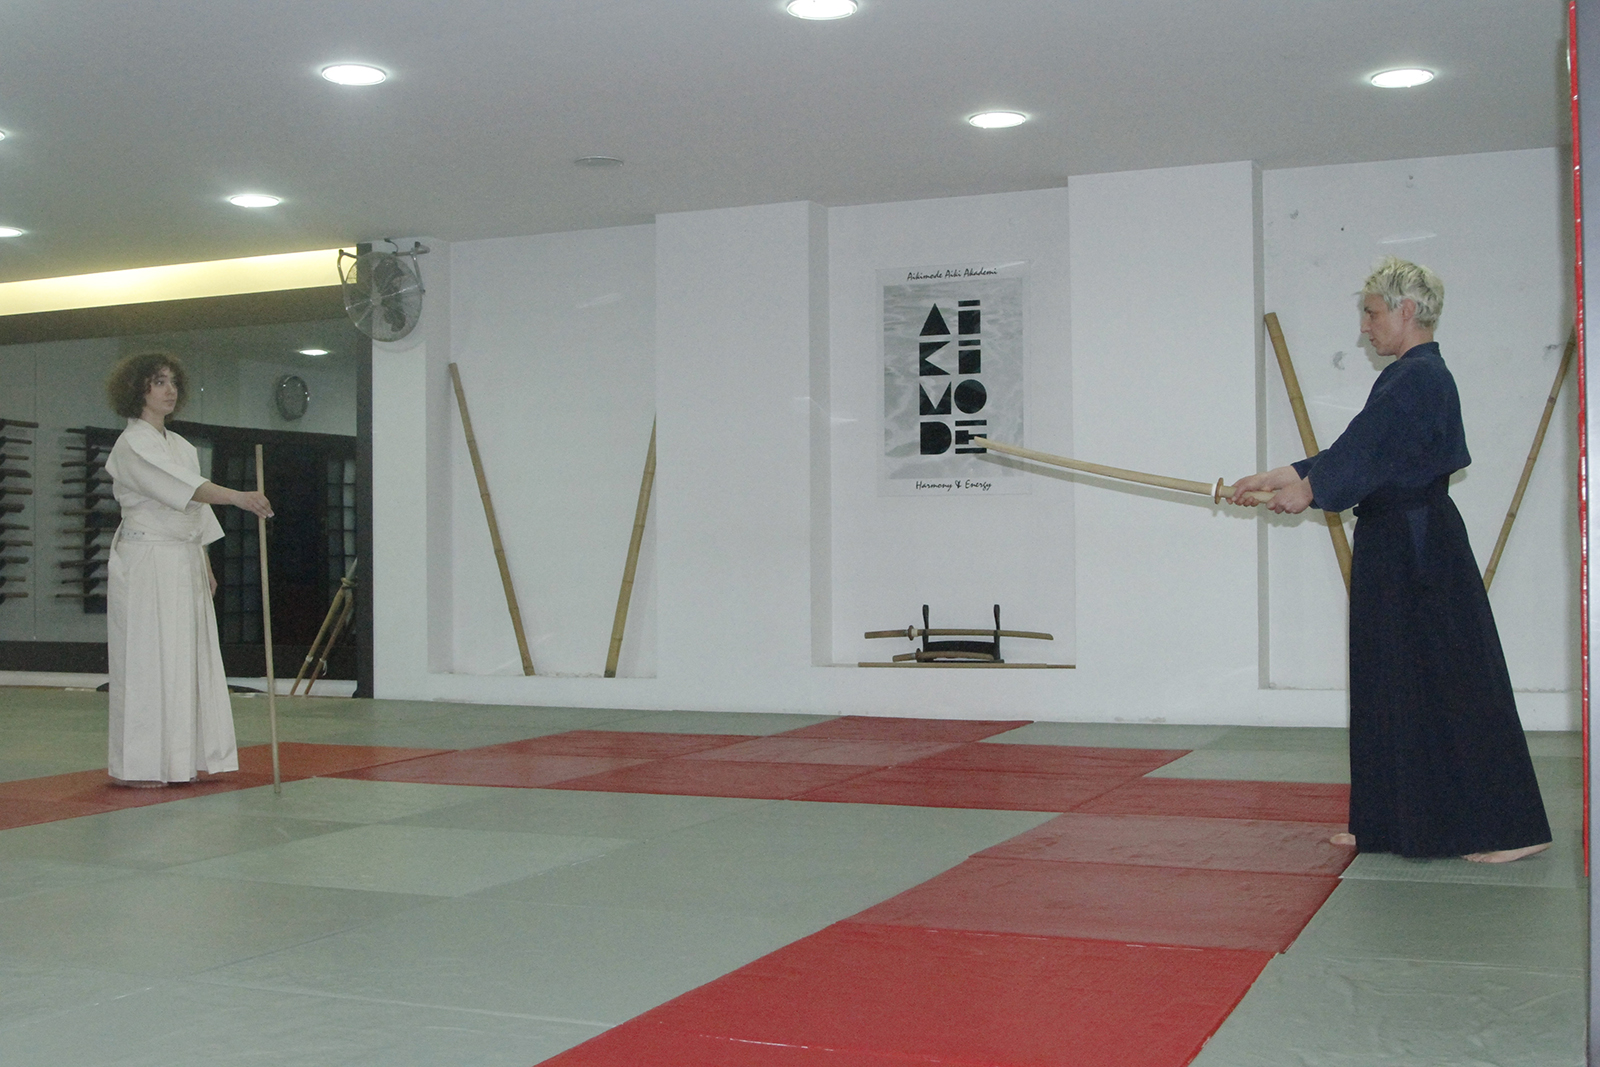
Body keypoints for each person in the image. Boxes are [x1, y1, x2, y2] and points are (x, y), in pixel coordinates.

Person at [1230, 257, 1551, 864]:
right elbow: (1361, 448)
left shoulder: (1420, 378)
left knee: (1454, 679)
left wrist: (1310, 490)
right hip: (1395, 538)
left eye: (1372, 313)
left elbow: (1364, 456)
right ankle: (1384, 822)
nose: (1365, 326)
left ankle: (1514, 828)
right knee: (1388, 677)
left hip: (1419, 544)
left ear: (1407, 311)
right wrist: (1285, 474)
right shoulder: (1408, 378)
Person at [103, 352, 273, 786]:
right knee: (147, 660)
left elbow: (193, 509)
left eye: (173, 382)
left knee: (186, 660)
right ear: (138, 390)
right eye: (159, 382)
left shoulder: (181, 446)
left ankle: (182, 760)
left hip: (183, 558)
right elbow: (184, 489)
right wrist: (238, 496)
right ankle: (140, 765)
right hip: (146, 561)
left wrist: (205, 561)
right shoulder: (132, 444)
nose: (170, 390)